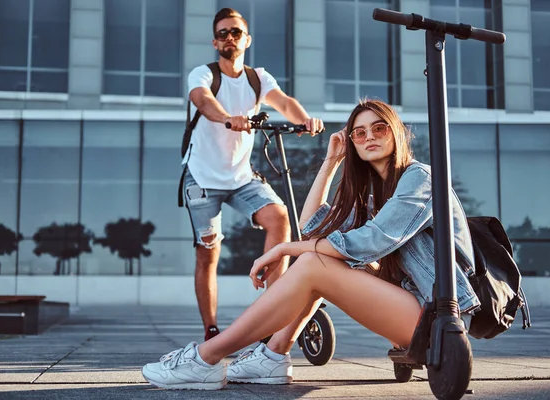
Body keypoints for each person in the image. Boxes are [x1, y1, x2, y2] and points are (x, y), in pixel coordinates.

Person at [143, 98, 481, 390]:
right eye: (359, 133)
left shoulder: (419, 178)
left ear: (396, 132)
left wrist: (283, 249)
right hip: (411, 310)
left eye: (379, 128)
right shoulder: (372, 196)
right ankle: (274, 355)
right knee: (317, 260)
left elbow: (371, 241)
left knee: (313, 263)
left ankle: (207, 358)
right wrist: (331, 161)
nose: (369, 137)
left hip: (436, 317)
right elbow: (312, 228)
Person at [182, 7, 324, 342]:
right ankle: (211, 328)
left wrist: (306, 120)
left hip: (242, 177)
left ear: (247, 39)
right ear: (215, 42)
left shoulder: (257, 78)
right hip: (202, 178)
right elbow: (203, 102)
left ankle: (274, 310)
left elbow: (284, 102)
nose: (229, 38)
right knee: (208, 252)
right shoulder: (203, 75)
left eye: (235, 32)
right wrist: (229, 117)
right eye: (222, 33)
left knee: (279, 218)